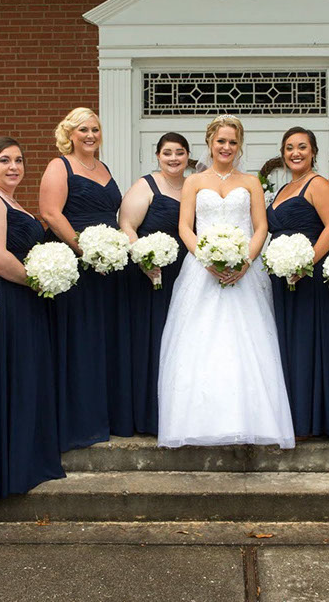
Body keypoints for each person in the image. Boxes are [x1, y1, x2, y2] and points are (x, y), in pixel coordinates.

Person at [158, 114, 295, 448]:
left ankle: (250, 420)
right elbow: (185, 227)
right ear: (210, 142)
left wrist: (246, 260)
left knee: (246, 342)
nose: (226, 147)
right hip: (201, 271)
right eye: (221, 141)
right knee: (199, 342)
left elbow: (261, 227)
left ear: (240, 145)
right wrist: (205, 258)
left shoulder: (250, 182)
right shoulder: (193, 182)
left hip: (244, 271)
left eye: (233, 142)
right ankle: (196, 422)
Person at [0, 136, 64, 505]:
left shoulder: (10, 200)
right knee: (1, 379)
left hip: (20, 298)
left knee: (23, 375)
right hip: (1, 298)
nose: (14, 167)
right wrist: (37, 282)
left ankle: (23, 460)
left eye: (19, 160)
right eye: (5, 160)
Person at [40, 107, 130, 446]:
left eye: (95, 129)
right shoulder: (59, 166)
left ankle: (105, 414)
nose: (90, 135)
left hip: (107, 267)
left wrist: (112, 251)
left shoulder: (103, 167)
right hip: (77, 264)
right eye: (83, 130)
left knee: (103, 338)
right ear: (70, 134)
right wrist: (85, 250)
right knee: (80, 338)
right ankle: (79, 421)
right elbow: (50, 213)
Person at [266, 126, 329, 437]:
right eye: (289, 148)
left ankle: (308, 419)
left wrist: (306, 263)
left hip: (306, 277)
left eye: (301, 147)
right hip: (280, 277)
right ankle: (287, 415)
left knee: (304, 343)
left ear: (313, 152)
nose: (295, 153)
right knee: (285, 343)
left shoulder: (318, 184)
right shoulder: (284, 188)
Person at [119, 132, 189, 434]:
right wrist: (144, 260)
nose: (173, 158)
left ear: (188, 156)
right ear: (158, 156)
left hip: (185, 276)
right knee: (153, 339)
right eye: (167, 152)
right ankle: (149, 415)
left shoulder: (193, 187)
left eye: (179, 152)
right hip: (151, 275)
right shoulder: (145, 185)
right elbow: (127, 225)